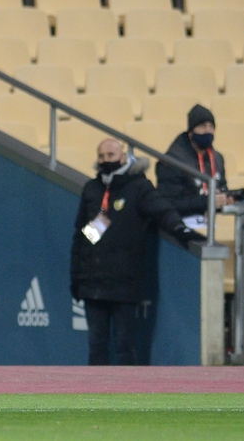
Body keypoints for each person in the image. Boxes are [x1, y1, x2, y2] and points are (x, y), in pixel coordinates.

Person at [70, 138, 194, 365]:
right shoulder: (92, 188)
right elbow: (81, 236)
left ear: (124, 157)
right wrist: (76, 279)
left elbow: (162, 210)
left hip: (124, 284)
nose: (105, 161)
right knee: (96, 347)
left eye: (111, 155)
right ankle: (93, 397)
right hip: (93, 284)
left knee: (124, 347)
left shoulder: (139, 187)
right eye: (101, 156)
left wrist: (179, 227)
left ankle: (127, 396)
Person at [156, 104, 235, 229]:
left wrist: (227, 198)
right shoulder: (172, 161)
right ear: (191, 132)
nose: (208, 131)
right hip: (181, 224)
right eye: (203, 126)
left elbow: (222, 186)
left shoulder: (217, 158)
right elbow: (168, 203)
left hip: (210, 222)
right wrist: (206, 202)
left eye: (211, 127)